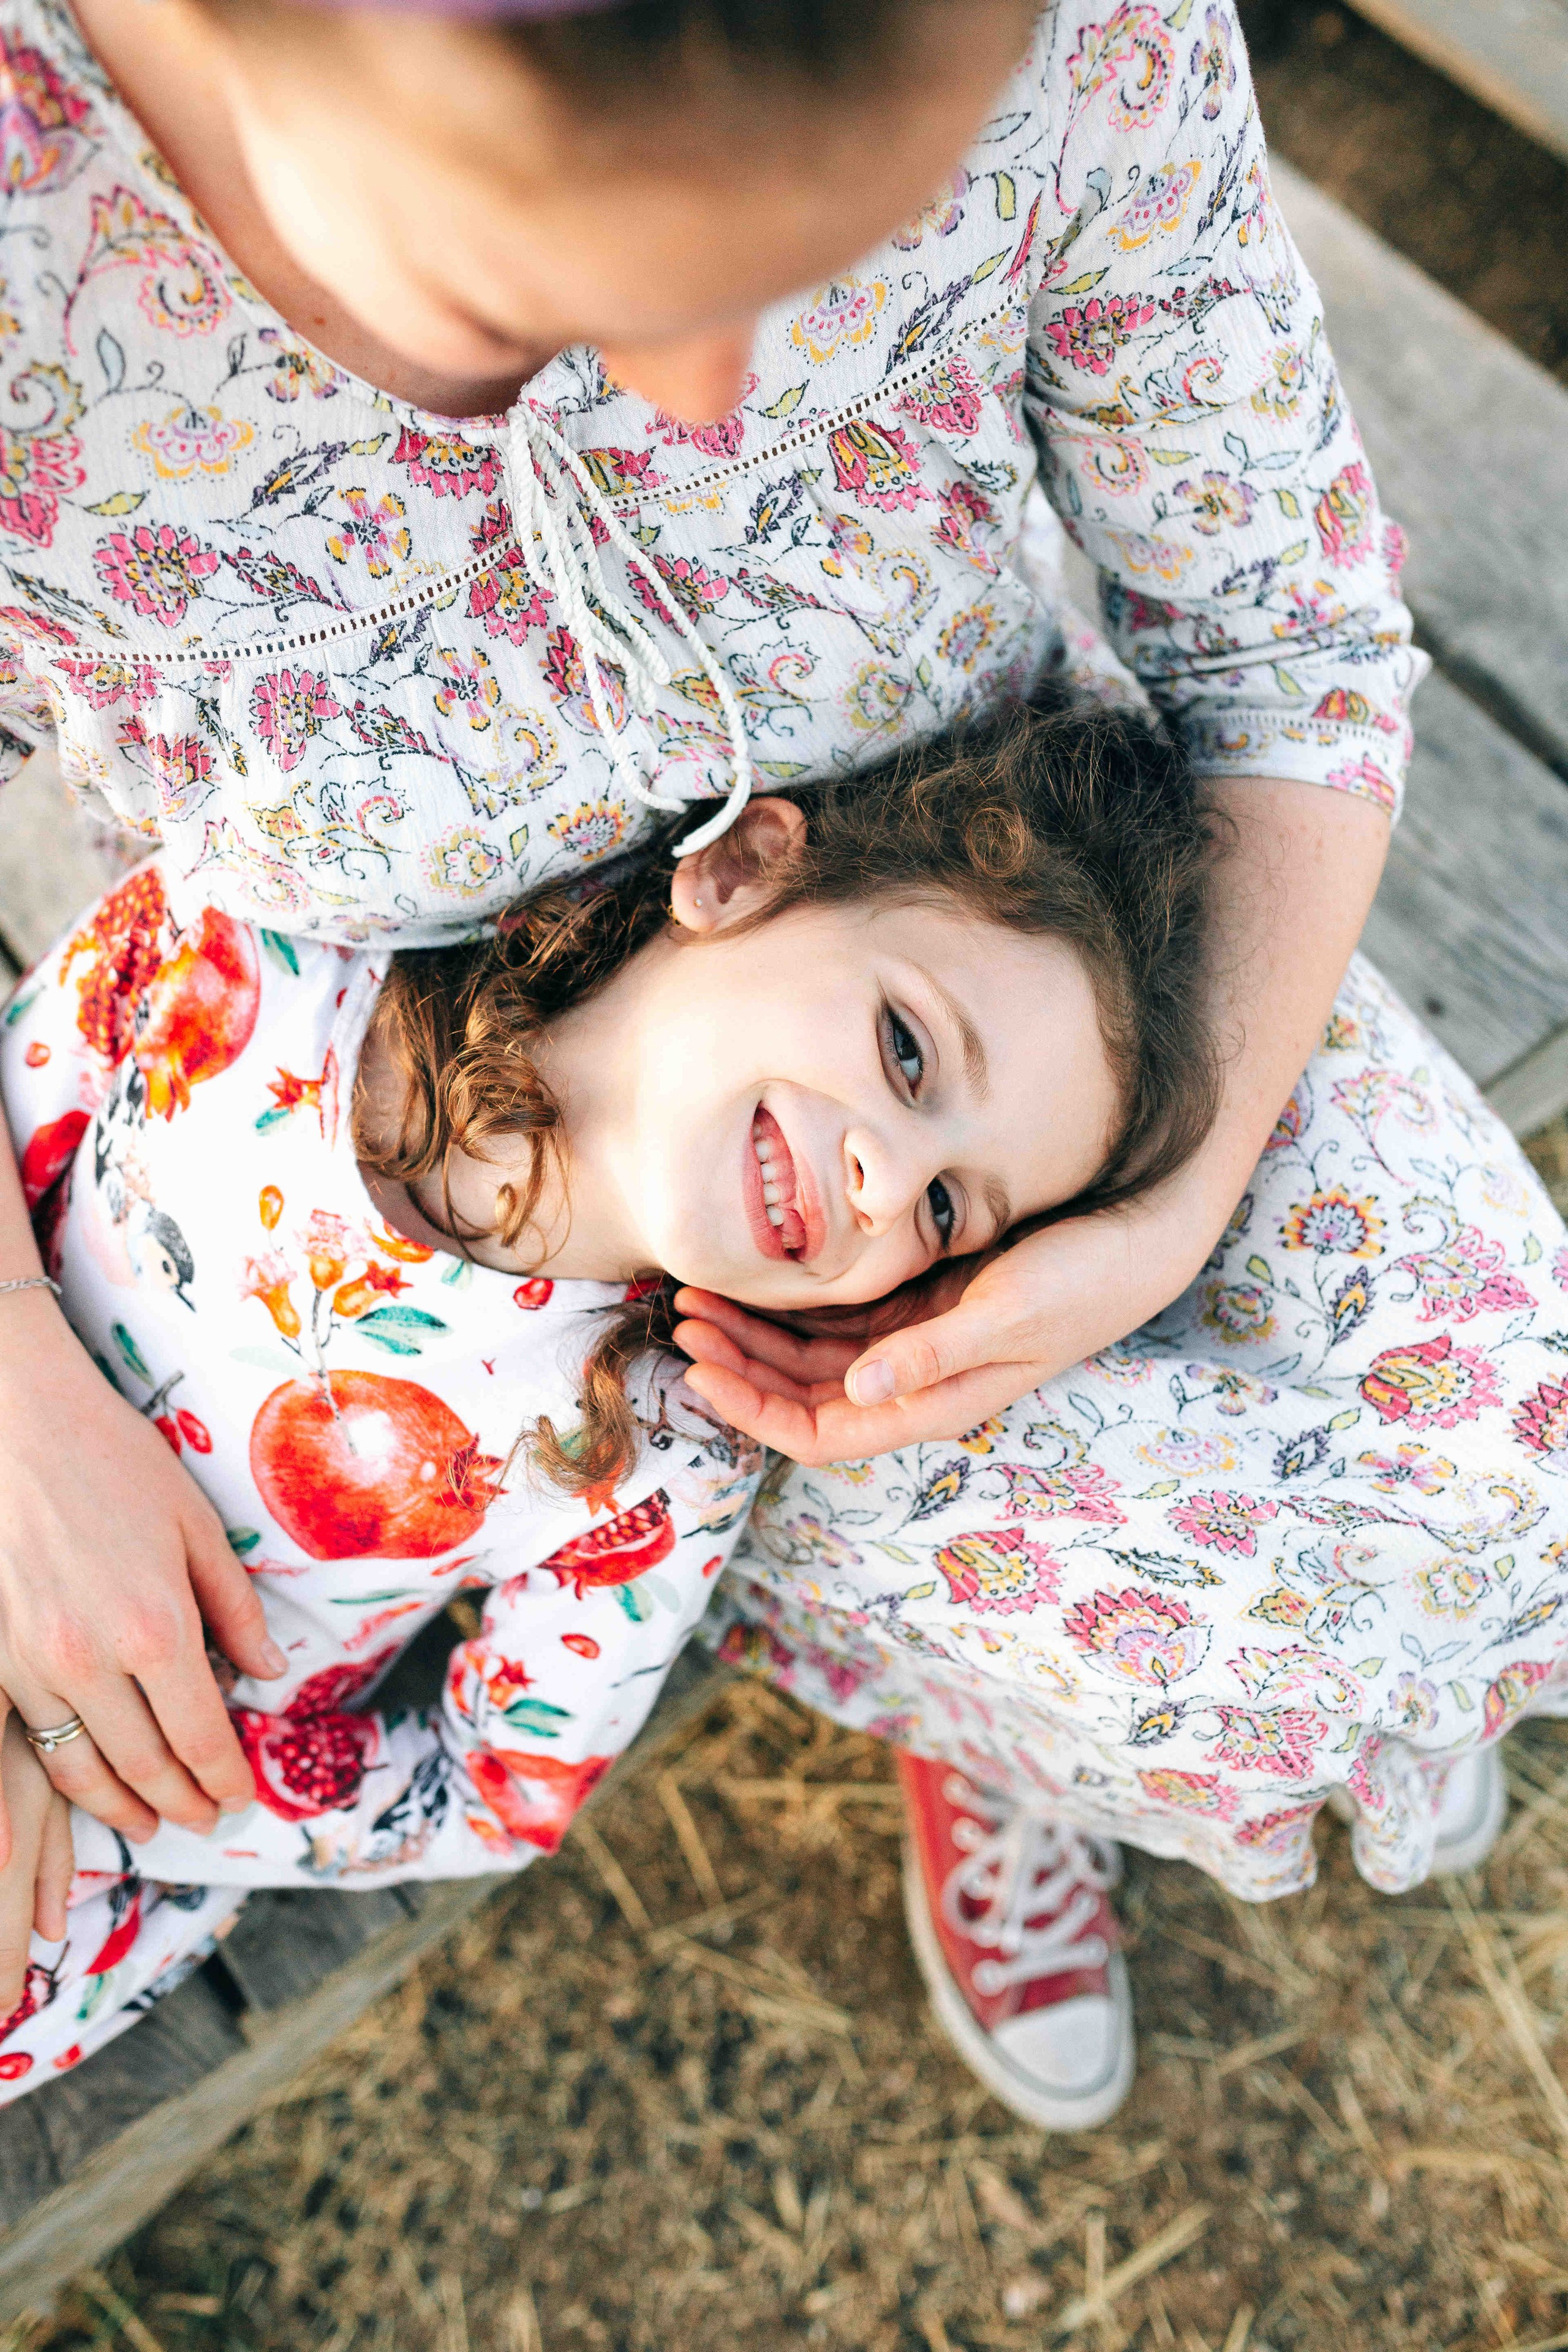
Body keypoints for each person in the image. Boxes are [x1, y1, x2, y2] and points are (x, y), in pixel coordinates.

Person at [0, 0, 1558, 2130]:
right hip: (389, 1064)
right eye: (572, 284)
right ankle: (997, 1674)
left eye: (830, 246)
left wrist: (1146, 1206)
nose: (710, 395)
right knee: (1177, 1597)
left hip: (1005, 913)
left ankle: (1015, 1690)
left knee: (1476, 1472)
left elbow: (1283, 633)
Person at [0, 699, 1221, 2096]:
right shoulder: (270, 950)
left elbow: (499, 1785)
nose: (887, 1179)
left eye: (947, 1207)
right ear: (743, 869)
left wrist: (117, 1795)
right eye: (904, 1049)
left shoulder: (657, 1453)